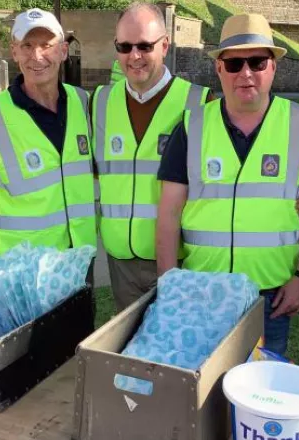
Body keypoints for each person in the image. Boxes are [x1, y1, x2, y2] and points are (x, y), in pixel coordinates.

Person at [156, 13, 299, 355]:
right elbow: (168, 213)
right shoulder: (192, 126)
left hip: (269, 295)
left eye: (257, 61)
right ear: (219, 68)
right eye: (235, 63)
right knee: (200, 394)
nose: (246, 73)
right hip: (200, 291)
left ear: (273, 67)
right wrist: (170, 285)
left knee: (259, 397)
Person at [0, 9, 96, 320]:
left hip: (79, 258)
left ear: (63, 51)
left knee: (79, 344)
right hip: (25, 269)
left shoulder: (82, 102)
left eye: (47, 45)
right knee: (32, 357)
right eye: (27, 46)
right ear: (14, 52)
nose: (37, 56)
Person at [92, 1, 211, 312]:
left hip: (180, 258)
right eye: (125, 46)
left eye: (145, 45)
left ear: (165, 45)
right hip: (120, 261)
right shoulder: (99, 102)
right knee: (130, 351)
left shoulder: (200, 102)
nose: (134, 56)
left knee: (178, 350)